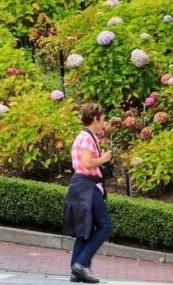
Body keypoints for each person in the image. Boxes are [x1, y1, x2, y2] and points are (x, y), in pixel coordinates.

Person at [63, 103, 113, 283]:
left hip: (82, 186)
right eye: (103, 119)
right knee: (105, 226)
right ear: (95, 119)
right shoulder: (86, 138)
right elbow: (86, 163)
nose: (104, 122)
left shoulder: (88, 136)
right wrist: (103, 159)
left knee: (85, 230)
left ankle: (76, 270)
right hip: (87, 186)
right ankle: (81, 265)